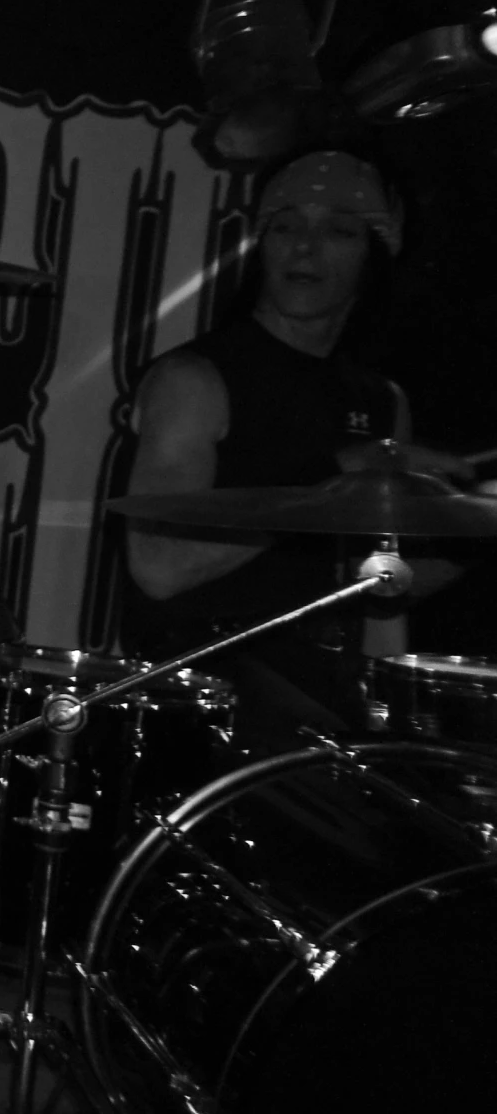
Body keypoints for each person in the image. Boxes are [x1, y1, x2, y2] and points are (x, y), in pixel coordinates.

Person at [122, 147, 464, 739]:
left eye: (337, 230)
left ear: (375, 255)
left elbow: (376, 587)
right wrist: (332, 477)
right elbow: (158, 567)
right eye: (286, 227)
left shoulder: (382, 400)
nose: (305, 247)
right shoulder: (197, 379)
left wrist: (472, 532)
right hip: (204, 699)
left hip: (324, 697)